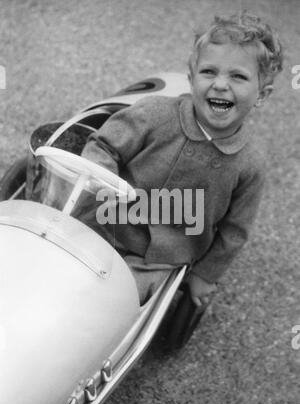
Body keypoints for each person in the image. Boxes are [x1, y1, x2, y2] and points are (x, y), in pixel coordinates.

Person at [81, 11, 283, 306]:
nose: (220, 84)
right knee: (61, 271)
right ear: (191, 79)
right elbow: (103, 144)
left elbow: (234, 230)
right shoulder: (154, 114)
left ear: (261, 95)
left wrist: (205, 275)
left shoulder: (249, 164)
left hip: (159, 259)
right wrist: (100, 179)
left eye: (238, 76)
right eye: (209, 72)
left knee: (113, 304)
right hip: (103, 222)